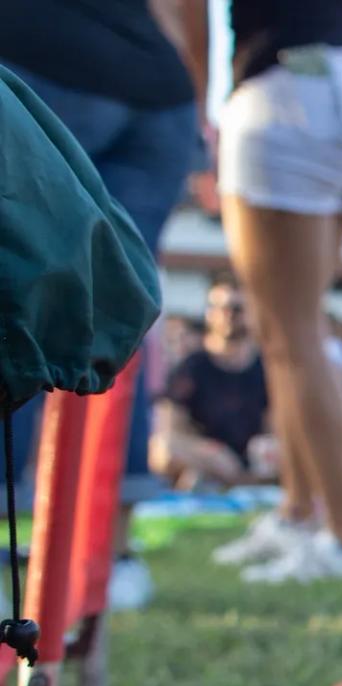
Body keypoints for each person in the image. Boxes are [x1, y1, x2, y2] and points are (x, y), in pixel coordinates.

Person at [0, 0, 207, 610]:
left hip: (36, 56)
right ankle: (112, 557)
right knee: (117, 313)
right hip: (161, 93)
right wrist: (199, 115)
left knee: (17, 303)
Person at [213, 0, 342, 585]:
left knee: (292, 332)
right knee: (285, 330)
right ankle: (299, 512)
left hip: (284, 90)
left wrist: (201, 114)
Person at [152, 279, 272, 490]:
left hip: (256, 460)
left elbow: (277, 428)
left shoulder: (267, 368)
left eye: (236, 309)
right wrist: (210, 452)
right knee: (162, 449)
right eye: (219, 308)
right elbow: (169, 428)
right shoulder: (191, 366)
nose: (227, 316)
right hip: (207, 458)